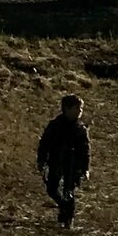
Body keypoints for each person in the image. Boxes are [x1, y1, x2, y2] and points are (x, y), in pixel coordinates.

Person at [35, 94, 90, 228]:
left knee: (68, 191)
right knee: (52, 189)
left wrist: (85, 168)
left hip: (72, 165)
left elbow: (85, 150)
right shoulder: (55, 125)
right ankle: (63, 207)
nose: (79, 112)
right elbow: (45, 143)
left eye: (81, 109)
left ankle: (68, 219)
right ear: (66, 108)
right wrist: (41, 160)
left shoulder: (80, 129)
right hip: (55, 161)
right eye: (76, 109)